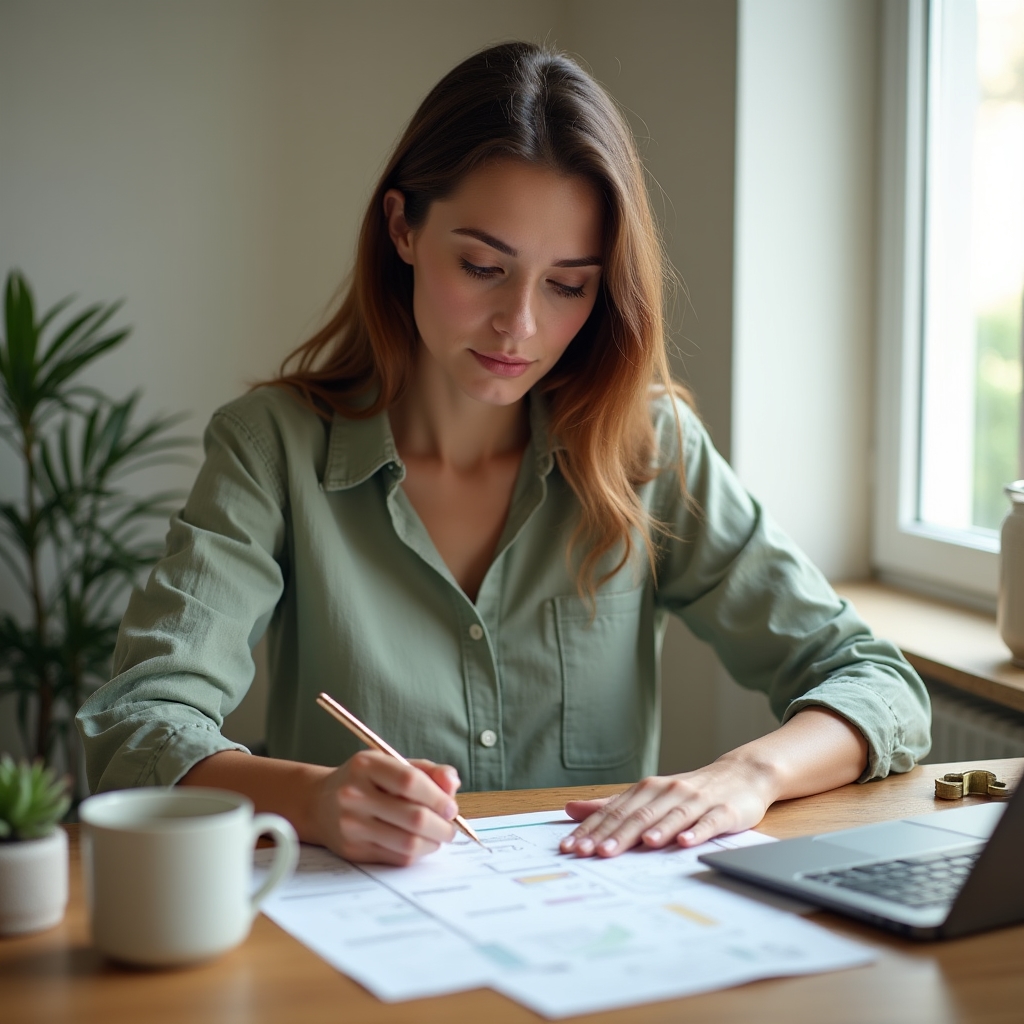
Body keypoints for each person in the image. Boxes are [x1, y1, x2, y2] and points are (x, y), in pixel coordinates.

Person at [76, 42, 930, 867]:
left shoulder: (649, 449)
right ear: (403, 227)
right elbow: (138, 722)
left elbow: (875, 682)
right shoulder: (273, 448)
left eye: (568, 285)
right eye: (484, 266)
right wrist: (314, 800)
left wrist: (749, 776)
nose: (520, 326)